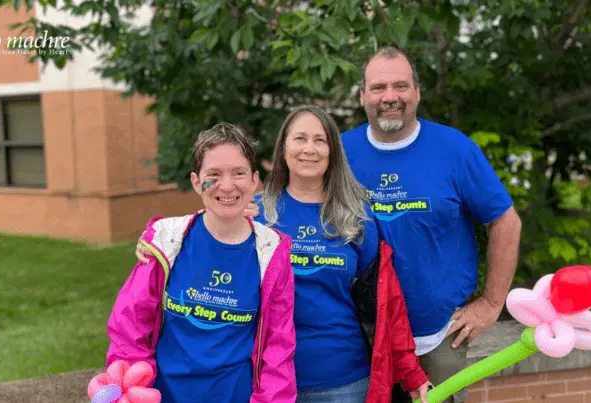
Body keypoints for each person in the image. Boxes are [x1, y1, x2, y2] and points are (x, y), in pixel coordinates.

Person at [136, 106, 433, 402]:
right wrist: (155, 240)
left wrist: (410, 373)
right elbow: (203, 236)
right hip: (265, 381)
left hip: (343, 379)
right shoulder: (254, 212)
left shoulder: (357, 217)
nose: (309, 149)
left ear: (332, 151)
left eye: (320, 140)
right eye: (300, 138)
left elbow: (386, 305)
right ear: (283, 148)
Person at [341, 46, 523, 403]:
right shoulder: (339, 153)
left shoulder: (455, 149)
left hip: (437, 338)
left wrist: (490, 302)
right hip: (361, 336)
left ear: (417, 93)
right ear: (362, 95)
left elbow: (506, 222)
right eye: (378, 88)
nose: (389, 97)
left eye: (401, 86)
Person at [107, 123, 297, 403]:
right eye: (214, 175)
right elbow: (131, 328)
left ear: (255, 181)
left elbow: (278, 346)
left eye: (239, 173)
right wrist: (130, 389)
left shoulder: (272, 252)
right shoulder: (166, 241)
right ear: (196, 182)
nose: (227, 185)